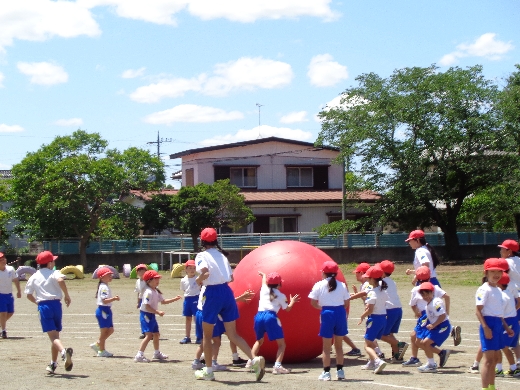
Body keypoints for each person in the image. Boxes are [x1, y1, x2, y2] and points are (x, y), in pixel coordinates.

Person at [194, 227, 265, 382]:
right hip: (227, 291)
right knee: (232, 334)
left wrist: (198, 280)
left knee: (207, 335)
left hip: (212, 293)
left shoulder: (201, 255)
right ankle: (254, 360)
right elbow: (231, 278)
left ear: (202, 241)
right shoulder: (222, 256)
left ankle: (209, 371)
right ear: (215, 240)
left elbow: (204, 271)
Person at [24, 251, 73, 374]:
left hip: (44, 306)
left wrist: (37, 303)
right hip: (56, 305)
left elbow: (29, 295)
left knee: (53, 337)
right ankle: (53, 364)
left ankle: (63, 352)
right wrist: (67, 295)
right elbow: (61, 280)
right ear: (50, 263)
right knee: (55, 336)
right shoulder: (54, 273)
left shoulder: (34, 276)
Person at [475, 258, 514, 390]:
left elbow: (499, 313)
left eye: (499, 271)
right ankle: (485, 388)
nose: (496, 274)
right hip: (488, 323)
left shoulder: (498, 290)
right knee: (488, 360)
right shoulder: (483, 289)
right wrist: (486, 327)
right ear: (486, 272)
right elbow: (478, 311)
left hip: (498, 323)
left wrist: (506, 326)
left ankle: (492, 386)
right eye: (493, 271)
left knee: (495, 359)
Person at [309, 260, 350, 381]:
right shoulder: (342, 285)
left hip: (327, 313)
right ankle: (340, 371)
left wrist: (322, 307)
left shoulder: (319, 285)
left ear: (323, 273)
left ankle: (326, 372)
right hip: (340, 313)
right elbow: (346, 303)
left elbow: (313, 302)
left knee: (326, 347)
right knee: (339, 346)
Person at [252, 271, 300, 374]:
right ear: (279, 284)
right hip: (270, 316)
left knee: (258, 341)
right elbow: (287, 309)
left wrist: (264, 275)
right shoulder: (280, 295)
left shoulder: (264, 289)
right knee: (281, 344)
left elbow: (264, 281)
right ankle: (277, 366)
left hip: (259, 316)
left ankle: (252, 360)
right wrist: (292, 302)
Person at [402, 265, 450, 367]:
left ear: (417, 278)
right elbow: (447, 296)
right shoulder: (435, 287)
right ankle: (416, 357)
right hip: (432, 315)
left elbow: (412, 304)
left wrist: (416, 312)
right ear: (429, 277)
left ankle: (435, 356)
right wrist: (447, 311)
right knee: (415, 337)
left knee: (419, 341)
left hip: (426, 316)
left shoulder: (417, 289)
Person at [134, 270, 182, 363]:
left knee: (156, 334)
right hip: (146, 315)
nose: (157, 281)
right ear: (148, 281)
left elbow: (163, 301)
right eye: (155, 279)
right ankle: (139, 355)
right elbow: (147, 306)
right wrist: (158, 312)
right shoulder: (148, 292)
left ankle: (156, 353)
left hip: (151, 315)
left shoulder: (155, 291)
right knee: (148, 336)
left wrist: (175, 299)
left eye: (158, 279)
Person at [414, 282, 452, 372]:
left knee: (426, 343)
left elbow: (442, 316)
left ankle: (431, 364)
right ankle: (436, 358)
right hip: (435, 326)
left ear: (432, 292)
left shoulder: (436, 302)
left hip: (443, 326)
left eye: (428, 294)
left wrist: (434, 325)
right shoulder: (429, 303)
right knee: (421, 342)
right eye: (423, 295)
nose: (426, 297)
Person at [358, 265, 388, 374]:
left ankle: (377, 360)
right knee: (371, 342)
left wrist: (362, 315)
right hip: (383, 318)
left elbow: (370, 309)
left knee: (367, 345)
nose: (366, 279)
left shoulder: (372, 292)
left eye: (368, 278)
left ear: (372, 279)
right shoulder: (383, 291)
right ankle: (371, 362)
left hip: (374, 319)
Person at [379, 260, 408, 363]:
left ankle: (399, 344)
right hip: (398, 309)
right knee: (390, 334)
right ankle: (397, 357)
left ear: (382, 272)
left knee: (381, 334)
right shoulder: (392, 282)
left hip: (389, 310)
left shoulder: (380, 283)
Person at [498, 239, 520, 368]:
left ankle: (511, 364)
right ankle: (518, 361)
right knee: (515, 334)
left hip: (511, 298)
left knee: (508, 334)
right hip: (518, 297)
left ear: (509, 251)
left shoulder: (505, 262)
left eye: (503, 249)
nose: (501, 251)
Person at [90, 267, 120, 357]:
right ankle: (101, 350)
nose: (110, 276)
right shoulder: (103, 287)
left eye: (111, 275)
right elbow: (104, 300)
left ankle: (98, 344)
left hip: (106, 310)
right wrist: (114, 298)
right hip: (103, 310)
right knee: (104, 332)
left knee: (110, 330)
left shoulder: (105, 286)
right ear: (102, 277)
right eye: (108, 275)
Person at [495, 272, 520, 377]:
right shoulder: (509, 293)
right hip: (514, 321)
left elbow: (499, 312)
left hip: (507, 322)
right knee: (511, 345)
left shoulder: (501, 296)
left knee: (501, 346)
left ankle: (502, 368)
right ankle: (512, 368)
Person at [179, 259, 201, 344]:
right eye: (190, 268)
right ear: (186, 269)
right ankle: (187, 336)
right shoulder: (183, 280)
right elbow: (184, 290)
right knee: (188, 318)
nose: (192, 270)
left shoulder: (198, 279)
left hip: (196, 298)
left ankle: (199, 336)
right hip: (187, 299)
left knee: (197, 318)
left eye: (194, 268)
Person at [0, 252, 21, 338]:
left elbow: (16, 280)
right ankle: (4, 331)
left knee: (11, 312)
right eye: (1, 260)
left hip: (9, 294)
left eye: (4, 259)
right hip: (0, 295)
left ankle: (1, 324)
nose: (3, 261)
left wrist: (19, 291)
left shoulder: (10, 269)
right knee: (3, 312)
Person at [134, 263, 148, 339]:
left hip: (148, 300)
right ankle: (144, 332)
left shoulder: (148, 280)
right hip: (142, 300)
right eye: (139, 271)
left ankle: (150, 332)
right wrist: (138, 302)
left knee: (148, 316)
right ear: (137, 273)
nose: (141, 272)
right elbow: (139, 292)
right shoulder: (138, 281)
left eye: (143, 270)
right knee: (142, 317)